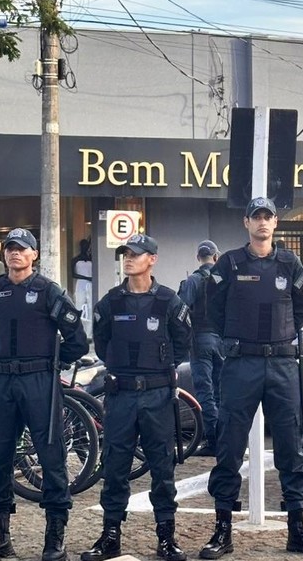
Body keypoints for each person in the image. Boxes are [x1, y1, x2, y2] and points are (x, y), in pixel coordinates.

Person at [200, 197, 303, 559]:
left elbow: (302, 305)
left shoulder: (289, 262)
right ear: (246, 223)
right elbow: (214, 308)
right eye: (256, 217)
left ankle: (297, 529)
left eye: (267, 217)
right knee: (229, 447)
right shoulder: (229, 263)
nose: (262, 223)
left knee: (291, 446)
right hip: (242, 364)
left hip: (283, 365)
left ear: (275, 223)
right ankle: (222, 529)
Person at [0, 227, 87, 561]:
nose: (15, 253)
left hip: (40, 383)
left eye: (22, 248)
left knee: (51, 458)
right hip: (1, 384)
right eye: (10, 248)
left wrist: (50, 363)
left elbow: (76, 340)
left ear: (34, 254)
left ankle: (54, 537)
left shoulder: (49, 291)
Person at [83, 233, 192, 561]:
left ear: (152, 259)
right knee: (115, 467)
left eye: (136, 254)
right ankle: (110, 535)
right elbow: (101, 343)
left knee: (162, 466)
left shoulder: (169, 302)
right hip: (121, 396)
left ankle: (166, 537)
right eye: (125, 254)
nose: (129, 259)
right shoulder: (111, 302)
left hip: (158, 396)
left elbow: (182, 343)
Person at [178, 239, 224, 457]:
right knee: (221, 393)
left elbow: (179, 312)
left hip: (201, 340)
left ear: (198, 258)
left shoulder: (193, 281)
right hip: (223, 341)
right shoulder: (225, 280)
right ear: (216, 257)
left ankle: (213, 440)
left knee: (205, 392)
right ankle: (225, 439)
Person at [72, 238, 94, 339]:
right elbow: (74, 274)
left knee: (90, 307)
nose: (85, 248)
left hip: (90, 284)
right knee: (79, 306)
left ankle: (89, 333)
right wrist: (86, 277)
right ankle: (79, 331)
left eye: (86, 246)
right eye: (83, 245)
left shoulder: (91, 259)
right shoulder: (75, 259)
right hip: (81, 283)